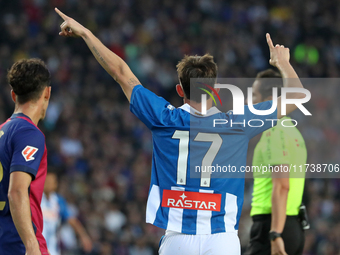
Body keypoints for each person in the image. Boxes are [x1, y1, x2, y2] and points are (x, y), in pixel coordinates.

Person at [55, 8, 307, 255]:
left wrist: (86, 33)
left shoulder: (163, 118)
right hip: (222, 240)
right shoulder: (238, 122)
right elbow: (296, 96)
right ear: (215, 90)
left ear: (179, 90)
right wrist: (282, 63)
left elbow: (121, 72)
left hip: (177, 239)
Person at [245, 69, 307, 255]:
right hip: (291, 224)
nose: (249, 102)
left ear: (268, 101)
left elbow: (281, 186)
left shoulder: (275, 130)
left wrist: (275, 234)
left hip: (272, 226)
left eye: (254, 96)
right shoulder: (292, 131)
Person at [0, 59, 51, 255]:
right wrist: (31, 245)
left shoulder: (3, 131)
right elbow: (17, 191)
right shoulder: (29, 133)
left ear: (13, 95)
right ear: (47, 92)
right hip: (20, 243)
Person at [42, 170, 93, 255]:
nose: (48, 184)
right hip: (35, 247)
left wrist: (83, 236)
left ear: (56, 184)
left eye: (51, 181)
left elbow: (72, 220)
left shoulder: (58, 200)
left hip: (53, 249)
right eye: (46, 181)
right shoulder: (33, 199)